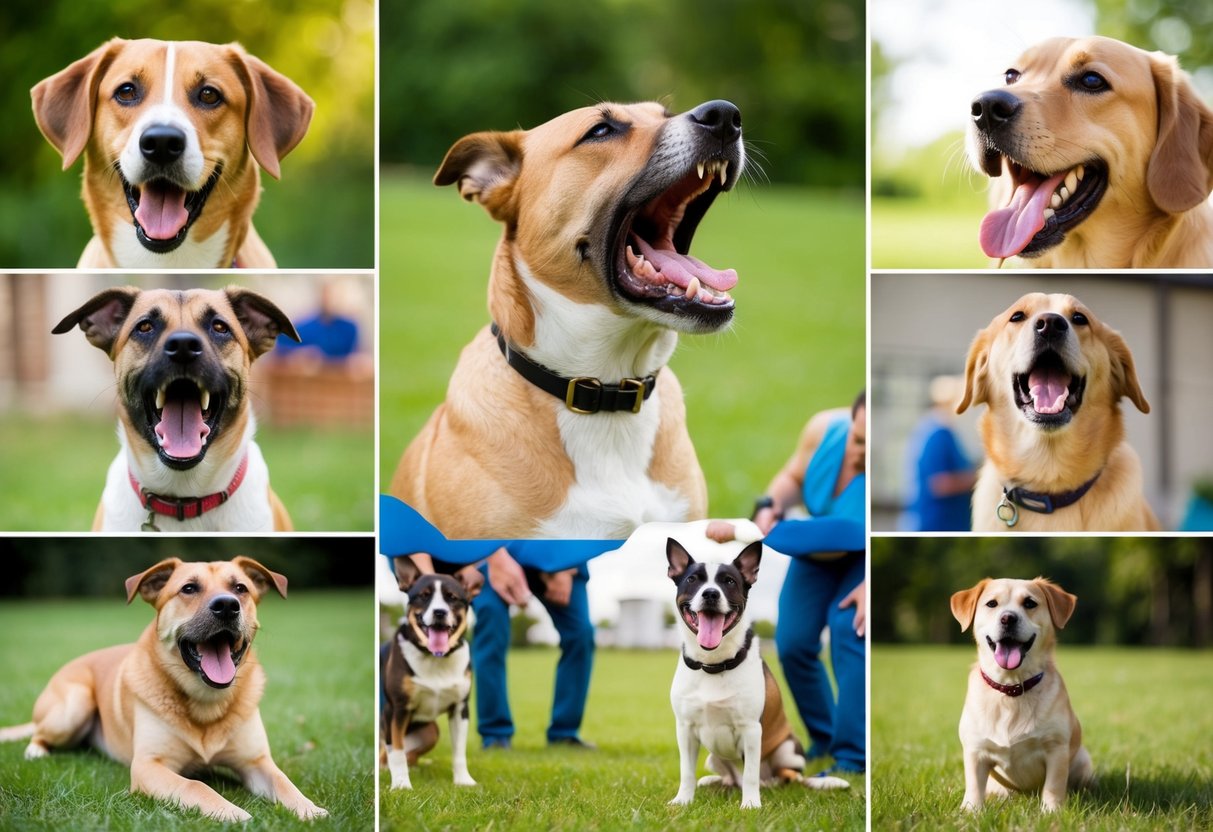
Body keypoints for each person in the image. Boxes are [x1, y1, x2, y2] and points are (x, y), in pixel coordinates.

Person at [708, 390, 866, 775]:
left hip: (864, 557)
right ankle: (825, 737)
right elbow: (794, 475)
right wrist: (769, 505)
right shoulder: (824, 429)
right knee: (794, 641)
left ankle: (852, 756)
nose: (859, 453)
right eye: (857, 440)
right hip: (814, 556)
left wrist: (742, 531)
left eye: (869, 447)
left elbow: (841, 532)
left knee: (850, 629)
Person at [402, 550, 595, 751]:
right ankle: (495, 734)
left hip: (561, 550)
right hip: (497, 549)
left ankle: (565, 733)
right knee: (491, 618)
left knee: (581, 633)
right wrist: (496, 556)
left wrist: (565, 564)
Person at [900, 375, 976, 531]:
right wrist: (976, 478)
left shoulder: (927, 428)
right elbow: (939, 484)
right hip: (937, 522)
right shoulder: (938, 435)